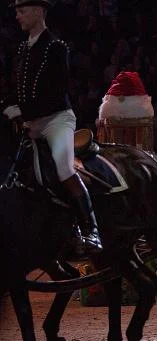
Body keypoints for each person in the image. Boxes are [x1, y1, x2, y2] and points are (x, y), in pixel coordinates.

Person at [0, 0, 102, 253]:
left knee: (63, 167)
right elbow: (18, 90)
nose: (17, 17)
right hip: (31, 123)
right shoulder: (22, 48)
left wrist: (23, 110)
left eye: (22, 11)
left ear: (38, 11)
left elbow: (56, 94)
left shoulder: (56, 47)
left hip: (57, 120)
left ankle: (91, 230)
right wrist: (6, 106)